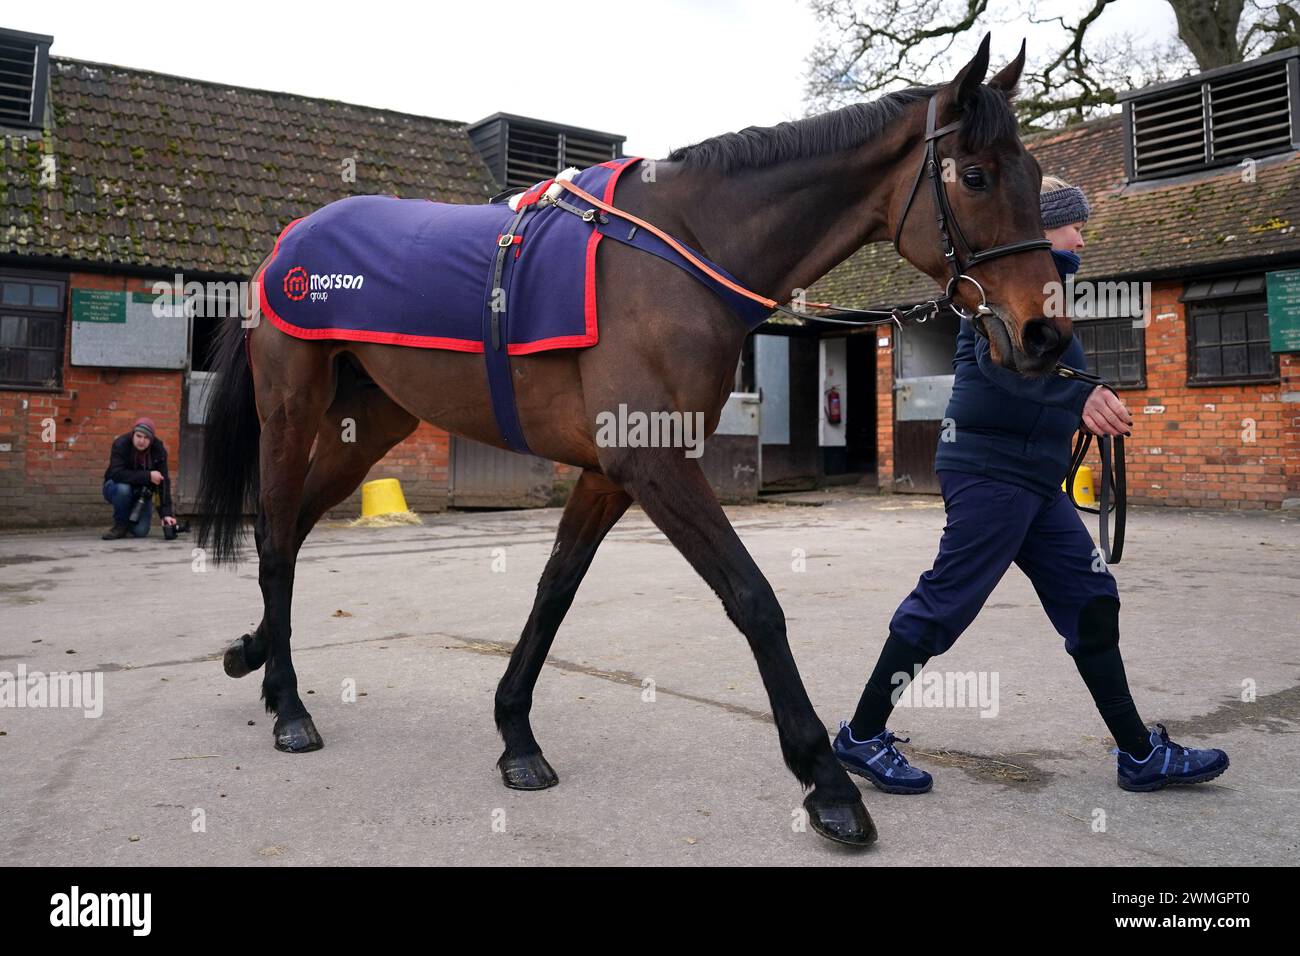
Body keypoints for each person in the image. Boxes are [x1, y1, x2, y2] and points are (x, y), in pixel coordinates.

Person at [834, 176, 1229, 794]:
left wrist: (1087, 393)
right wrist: (1081, 394)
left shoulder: (1053, 291)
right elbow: (997, 374)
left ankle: (1137, 755)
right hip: (988, 470)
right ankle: (859, 736)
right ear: (1041, 227)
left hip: (1037, 481)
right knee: (944, 605)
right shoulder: (994, 289)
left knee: (1092, 601)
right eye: (1075, 224)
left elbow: (1053, 369)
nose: (1083, 236)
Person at [102, 417, 177, 540]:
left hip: (141, 494)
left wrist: (166, 514)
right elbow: (116, 473)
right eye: (139, 436)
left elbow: (163, 483)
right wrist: (148, 476)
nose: (141, 441)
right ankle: (120, 526)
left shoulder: (158, 450)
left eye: (146, 438)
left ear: (151, 440)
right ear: (133, 434)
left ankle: (129, 520)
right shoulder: (121, 444)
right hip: (115, 488)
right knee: (123, 489)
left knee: (140, 532)